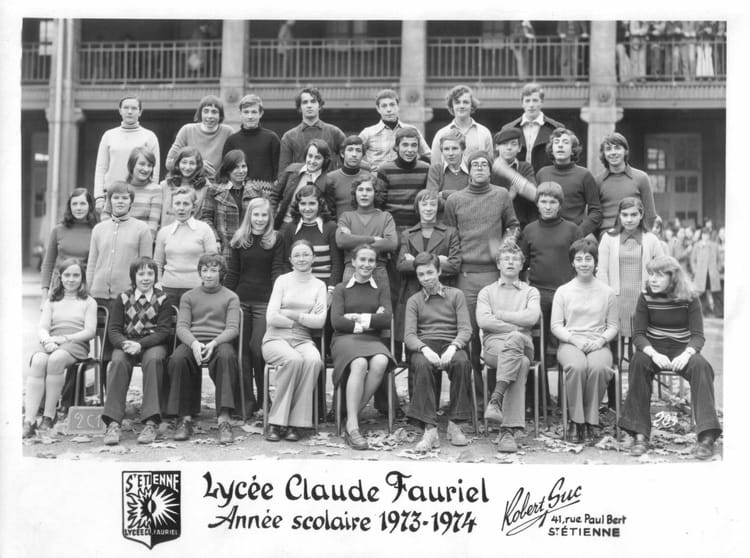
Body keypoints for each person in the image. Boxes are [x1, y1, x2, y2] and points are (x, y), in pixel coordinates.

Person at [619, 255, 722, 459]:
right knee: (638, 362)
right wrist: (652, 353)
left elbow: (697, 336)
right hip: (653, 348)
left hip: (682, 349)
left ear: (673, 277)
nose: (653, 279)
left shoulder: (690, 297)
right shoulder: (645, 296)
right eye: (651, 274)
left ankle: (706, 437)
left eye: (659, 275)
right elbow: (638, 335)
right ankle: (640, 435)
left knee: (701, 367)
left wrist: (688, 353)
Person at [443, 150, 520, 377]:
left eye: (484, 164)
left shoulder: (501, 195)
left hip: (493, 274)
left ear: (489, 170)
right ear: (469, 170)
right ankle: (472, 386)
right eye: (475, 164)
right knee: (468, 331)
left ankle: (495, 386)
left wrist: (506, 244)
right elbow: (449, 236)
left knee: (495, 330)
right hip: (465, 275)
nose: (479, 167)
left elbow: (513, 225)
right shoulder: (455, 200)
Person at [166, 253, 242, 443]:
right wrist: (194, 344)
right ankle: (184, 418)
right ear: (199, 272)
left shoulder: (231, 297)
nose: (208, 274)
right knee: (177, 359)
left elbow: (233, 328)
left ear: (221, 273)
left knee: (226, 357)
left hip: (219, 342)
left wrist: (214, 343)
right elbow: (182, 327)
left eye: (213, 270)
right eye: (205, 270)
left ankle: (224, 418)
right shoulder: (188, 296)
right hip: (194, 341)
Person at [551, 238, 618, 444]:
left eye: (588, 258)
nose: (584, 263)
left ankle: (590, 420)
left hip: (598, 342)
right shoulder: (563, 291)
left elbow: (613, 326)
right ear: (572, 262)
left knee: (598, 368)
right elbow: (556, 325)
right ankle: (575, 420)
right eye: (579, 259)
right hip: (571, 343)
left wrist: (601, 341)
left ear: (595, 261)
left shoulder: (607, 292)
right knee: (577, 366)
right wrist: (575, 341)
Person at [404, 252, 474, 451]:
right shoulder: (414, 301)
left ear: (439, 271)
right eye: (421, 274)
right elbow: (409, 335)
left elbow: (466, 329)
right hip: (425, 344)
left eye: (430, 272)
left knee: (461, 362)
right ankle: (430, 429)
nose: (426, 278)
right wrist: (424, 349)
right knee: (421, 364)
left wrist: (454, 346)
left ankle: (455, 424)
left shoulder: (456, 295)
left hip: (451, 343)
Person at [476, 241, 541, 453]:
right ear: (498, 264)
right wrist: (516, 325)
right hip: (494, 345)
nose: (510, 262)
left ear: (522, 265)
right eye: (506, 259)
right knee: (520, 363)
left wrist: (501, 316)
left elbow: (531, 317)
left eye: (515, 259)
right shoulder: (486, 292)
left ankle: (496, 398)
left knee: (516, 340)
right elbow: (483, 321)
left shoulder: (531, 292)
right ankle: (508, 431)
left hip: (524, 343)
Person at [330, 244, 396, 450]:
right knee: (359, 363)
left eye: (371, 260)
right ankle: (353, 426)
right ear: (353, 262)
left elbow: (386, 319)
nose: (367, 264)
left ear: (375, 264)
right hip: (344, 339)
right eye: (363, 260)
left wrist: (356, 318)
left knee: (381, 361)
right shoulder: (341, 289)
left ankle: (351, 415)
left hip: (371, 340)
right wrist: (370, 320)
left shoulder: (381, 288)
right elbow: (337, 322)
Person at [23, 259, 97, 438]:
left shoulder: (89, 302)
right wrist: (47, 340)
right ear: (60, 277)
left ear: (82, 278)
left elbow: (90, 331)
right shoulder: (52, 301)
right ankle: (29, 420)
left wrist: (64, 339)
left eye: (76, 275)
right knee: (38, 361)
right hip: (52, 341)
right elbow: (42, 327)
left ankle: (49, 416)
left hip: (75, 343)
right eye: (67, 275)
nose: (71, 279)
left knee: (56, 359)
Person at [262, 240, 327, 442]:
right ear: (290, 260)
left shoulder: (319, 285)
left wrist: (290, 314)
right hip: (275, 337)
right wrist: (305, 318)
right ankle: (276, 422)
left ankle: (295, 423)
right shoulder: (282, 281)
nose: (301, 259)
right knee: (293, 359)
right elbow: (271, 317)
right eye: (297, 255)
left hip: (303, 339)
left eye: (306, 254)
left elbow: (320, 321)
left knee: (314, 361)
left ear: (314, 258)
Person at [102, 257, 171, 445]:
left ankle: (151, 422)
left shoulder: (163, 299)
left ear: (156, 276)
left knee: (153, 361)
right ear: (133, 277)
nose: (146, 278)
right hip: (127, 343)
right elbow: (114, 330)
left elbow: (163, 331)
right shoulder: (123, 298)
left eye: (150, 273)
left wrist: (141, 345)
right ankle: (113, 422)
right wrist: (125, 344)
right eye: (141, 274)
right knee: (118, 362)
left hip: (152, 344)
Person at [225, 197, 285, 416]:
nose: (260, 219)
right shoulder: (239, 239)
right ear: (249, 216)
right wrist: (226, 299)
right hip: (241, 301)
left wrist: (278, 298)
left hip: (265, 302)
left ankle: (263, 399)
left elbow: (277, 270)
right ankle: (245, 402)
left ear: (270, 217)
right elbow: (233, 273)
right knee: (242, 353)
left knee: (258, 349)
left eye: (264, 215)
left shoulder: (276, 239)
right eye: (256, 215)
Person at [395, 189, 461, 347]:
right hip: (413, 292)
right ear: (417, 208)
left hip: (441, 297)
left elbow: (454, 265)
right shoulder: (407, 234)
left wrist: (415, 261)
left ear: (438, 207)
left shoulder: (450, 233)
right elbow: (401, 265)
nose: (429, 208)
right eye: (424, 204)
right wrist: (438, 260)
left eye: (433, 204)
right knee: (413, 344)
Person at [598, 197, 666, 338]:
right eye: (625, 215)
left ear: (641, 215)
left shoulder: (651, 239)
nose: (629, 219)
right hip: (616, 299)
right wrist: (606, 298)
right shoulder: (608, 238)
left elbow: (662, 269)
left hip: (643, 298)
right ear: (619, 215)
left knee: (641, 338)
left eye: (634, 215)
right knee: (615, 339)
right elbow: (602, 271)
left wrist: (654, 295)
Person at [87, 182, 153, 311]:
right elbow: (92, 264)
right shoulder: (98, 229)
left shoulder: (142, 229)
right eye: (116, 197)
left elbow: (146, 266)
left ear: (131, 201)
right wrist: (87, 291)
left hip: (128, 295)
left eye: (125, 198)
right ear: (109, 201)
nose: (120, 201)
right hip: (97, 295)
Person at [154, 187, 218, 309]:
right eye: (177, 203)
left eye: (186, 204)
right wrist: (158, 284)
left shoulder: (204, 229)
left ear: (193, 207)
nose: (181, 208)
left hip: (197, 289)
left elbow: (213, 261)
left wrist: (207, 284)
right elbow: (157, 263)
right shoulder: (164, 232)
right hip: (168, 289)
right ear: (172, 206)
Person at [336, 174, 398, 299]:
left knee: (381, 308)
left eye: (368, 190)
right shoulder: (346, 217)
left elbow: (391, 243)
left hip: (378, 269)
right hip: (351, 269)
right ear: (355, 193)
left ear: (376, 193)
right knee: (351, 308)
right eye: (360, 190)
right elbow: (342, 241)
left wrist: (353, 240)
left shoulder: (385, 217)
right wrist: (374, 239)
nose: (364, 194)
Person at [93, 95, 160, 212]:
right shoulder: (109, 135)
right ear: (120, 110)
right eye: (126, 108)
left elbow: (155, 169)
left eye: (134, 108)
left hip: (140, 196)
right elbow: (101, 168)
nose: (129, 111)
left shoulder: (149, 136)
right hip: (112, 196)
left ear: (140, 112)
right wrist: (99, 197)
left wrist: (152, 194)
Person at [535, 128, 602, 237]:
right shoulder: (542, 173)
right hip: (545, 234)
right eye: (556, 142)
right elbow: (535, 207)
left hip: (573, 236)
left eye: (565, 142)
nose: (560, 146)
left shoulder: (584, 175)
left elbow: (596, 211)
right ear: (552, 149)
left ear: (572, 150)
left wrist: (580, 232)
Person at [40, 188, 98, 308]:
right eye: (74, 204)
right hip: (59, 288)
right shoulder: (58, 230)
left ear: (90, 206)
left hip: (84, 289)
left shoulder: (97, 230)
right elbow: (48, 264)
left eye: (82, 203)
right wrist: (44, 297)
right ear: (69, 207)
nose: (78, 208)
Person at [201, 149, 264, 258]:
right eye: (236, 167)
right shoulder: (214, 190)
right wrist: (215, 239)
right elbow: (206, 218)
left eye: (243, 166)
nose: (241, 171)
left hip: (250, 246)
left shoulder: (255, 190)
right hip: (224, 248)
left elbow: (263, 217)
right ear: (227, 169)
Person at [279, 184, 343, 291]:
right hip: (297, 287)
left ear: (320, 204)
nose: (307, 208)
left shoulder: (331, 227)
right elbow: (286, 262)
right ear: (297, 205)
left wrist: (331, 290)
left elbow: (337, 263)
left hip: (324, 287)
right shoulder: (290, 228)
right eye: (303, 204)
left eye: (312, 203)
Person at [277, 87, 345, 180]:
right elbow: (283, 172)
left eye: (313, 101)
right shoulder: (289, 137)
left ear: (319, 105)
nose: (309, 105)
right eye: (305, 102)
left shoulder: (334, 132)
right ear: (300, 107)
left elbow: (349, 161)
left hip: (329, 186)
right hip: (299, 186)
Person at [596, 132, 657, 235]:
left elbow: (650, 215)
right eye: (608, 149)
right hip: (606, 236)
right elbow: (593, 216)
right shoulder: (597, 181)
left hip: (635, 236)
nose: (613, 152)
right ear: (604, 154)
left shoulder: (641, 178)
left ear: (625, 151)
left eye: (617, 148)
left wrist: (641, 236)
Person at [359, 89, 430, 172]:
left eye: (392, 105)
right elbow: (351, 155)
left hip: (405, 177)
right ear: (378, 109)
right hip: (377, 177)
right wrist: (370, 168)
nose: (389, 109)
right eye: (384, 106)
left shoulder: (412, 130)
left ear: (398, 106)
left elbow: (428, 155)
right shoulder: (368, 133)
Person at [165, 95, 235, 180]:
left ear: (220, 115)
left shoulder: (228, 132)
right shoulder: (187, 130)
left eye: (214, 112)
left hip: (218, 184)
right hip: (191, 183)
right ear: (200, 113)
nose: (209, 116)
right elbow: (169, 163)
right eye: (206, 111)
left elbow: (235, 163)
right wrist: (198, 165)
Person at [500, 83, 565, 173]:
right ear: (522, 103)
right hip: (515, 179)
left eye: (535, 100)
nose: (531, 105)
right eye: (527, 101)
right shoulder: (508, 129)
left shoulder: (556, 128)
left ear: (541, 102)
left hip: (546, 179)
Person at [102, 146, 163, 241]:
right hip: (115, 240)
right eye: (142, 164)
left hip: (141, 242)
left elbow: (152, 227)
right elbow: (106, 215)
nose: (146, 169)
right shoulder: (118, 186)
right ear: (132, 165)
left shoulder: (156, 190)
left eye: (150, 165)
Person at [271, 138, 331, 230]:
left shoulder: (327, 182)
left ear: (325, 160)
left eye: (318, 158)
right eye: (310, 156)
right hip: (284, 224)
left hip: (309, 228)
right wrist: (272, 217)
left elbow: (328, 212)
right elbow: (275, 196)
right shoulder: (291, 170)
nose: (312, 161)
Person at [377, 127, 430, 230]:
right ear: (397, 147)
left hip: (418, 227)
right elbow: (379, 203)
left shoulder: (426, 169)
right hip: (392, 227)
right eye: (405, 145)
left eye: (414, 145)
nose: (410, 150)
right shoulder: (385, 169)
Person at [222, 94, 280, 187]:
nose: (250, 116)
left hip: (266, 191)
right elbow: (226, 173)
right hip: (239, 191)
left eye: (254, 112)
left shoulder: (272, 139)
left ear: (260, 113)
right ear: (240, 113)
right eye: (246, 112)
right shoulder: (231, 141)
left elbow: (278, 173)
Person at [430, 85, 493, 167]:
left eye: (465, 102)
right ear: (452, 106)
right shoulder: (441, 134)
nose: (461, 106)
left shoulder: (484, 132)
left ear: (471, 105)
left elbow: (490, 164)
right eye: (457, 102)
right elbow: (435, 165)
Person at [491, 128, 539, 231]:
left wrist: (507, 172)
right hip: (494, 225)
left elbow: (535, 195)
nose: (509, 147)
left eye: (513, 144)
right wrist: (509, 197)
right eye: (504, 144)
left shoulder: (525, 167)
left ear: (519, 148)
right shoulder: (488, 168)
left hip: (520, 225)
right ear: (497, 147)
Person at [160, 146, 210, 228]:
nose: (187, 167)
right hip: (167, 232)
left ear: (198, 166)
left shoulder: (205, 187)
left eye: (192, 163)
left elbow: (205, 216)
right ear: (177, 164)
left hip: (192, 232)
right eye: (184, 162)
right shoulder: (165, 185)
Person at [323, 135, 369, 220]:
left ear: (362, 155)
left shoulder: (369, 178)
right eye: (350, 150)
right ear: (342, 154)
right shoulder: (330, 178)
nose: (354, 154)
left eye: (358, 151)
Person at [425, 129, 469, 200]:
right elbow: (432, 199)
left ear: (463, 150)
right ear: (442, 151)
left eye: (454, 148)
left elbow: (473, 199)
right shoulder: (436, 169)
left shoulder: (471, 168)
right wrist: (461, 195)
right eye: (446, 149)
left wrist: (444, 194)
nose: (450, 153)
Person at [690, 226, 722, 317]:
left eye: (707, 234)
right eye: (704, 234)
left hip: (712, 273)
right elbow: (692, 260)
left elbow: (719, 259)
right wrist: (695, 270)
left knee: (715, 293)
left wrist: (718, 269)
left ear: (709, 235)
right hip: (700, 274)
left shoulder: (714, 245)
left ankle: (719, 313)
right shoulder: (697, 245)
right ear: (701, 235)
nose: (705, 236)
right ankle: (704, 312)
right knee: (701, 293)